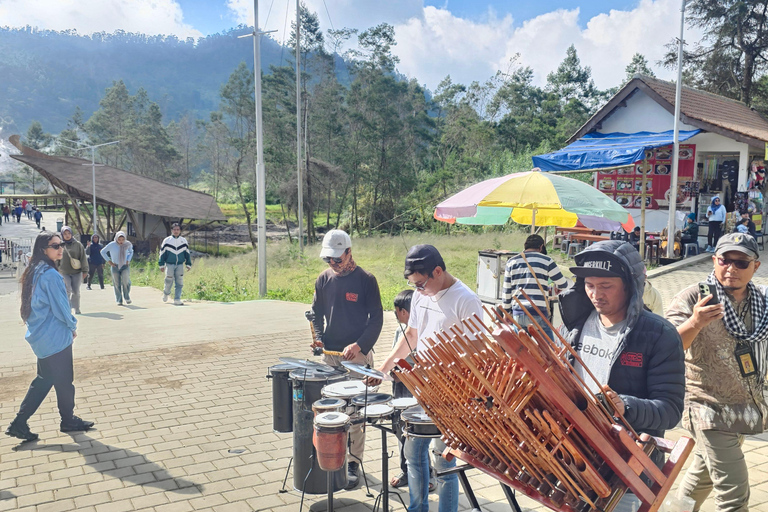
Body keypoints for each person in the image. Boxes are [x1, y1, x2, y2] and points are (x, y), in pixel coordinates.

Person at [560, 240, 685, 512]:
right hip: (575, 459)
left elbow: (671, 410)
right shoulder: (574, 325)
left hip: (627, 470)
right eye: (589, 285)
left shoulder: (659, 335)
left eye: (606, 286)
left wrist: (625, 406)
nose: (596, 294)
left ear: (630, 286)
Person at [376, 244, 483, 512]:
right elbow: (411, 335)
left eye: (421, 283)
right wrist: (383, 367)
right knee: (413, 453)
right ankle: (417, 508)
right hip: (422, 387)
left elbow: (476, 355)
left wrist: (442, 371)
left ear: (438, 271)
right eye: (414, 285)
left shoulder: (465, 300)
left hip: (451, 392)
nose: (418, 290)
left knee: (444, 460)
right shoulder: (420, 296)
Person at [667, 233, 767, 512]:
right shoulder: (693, 296)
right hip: (706, 406)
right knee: (734, 492)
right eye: (725, 260)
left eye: (740, 262)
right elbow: (669, 348)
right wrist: (695, 322)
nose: (731, 269)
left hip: (746, 405)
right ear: (714, 260)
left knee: (701, 479)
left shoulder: (761, 300)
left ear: (755, 267)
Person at [310, 229, 383, 489]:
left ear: (349, 252)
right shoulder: (324, 279)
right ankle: (330, 457)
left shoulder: (366, 280)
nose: (333, 264)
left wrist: (360, 345)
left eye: (337, 259)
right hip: (330, 356)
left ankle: (353, 462)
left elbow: (377, 319)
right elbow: (316, 313)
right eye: (328, 260)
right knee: (330, 410)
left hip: (357, 356)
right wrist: (318, 338)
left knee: (355, 414)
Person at [5, 232, 94, 442]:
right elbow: (62, 308)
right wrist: (72, 326)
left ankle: (61, 419)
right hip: (55, 337)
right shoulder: (51, 275)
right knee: (59, 381)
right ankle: (26, 422)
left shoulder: (34, 270)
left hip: (42, 336)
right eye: (55, 246)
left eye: (61, 244)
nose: (60, 248)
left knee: (48, 380)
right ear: (43, 250)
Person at [389, 289, 436, 492]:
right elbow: (394, 359)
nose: (396, 315)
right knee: (401, 432)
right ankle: (406, 471)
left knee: (417, 435)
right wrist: (390, 372)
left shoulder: (424, 334)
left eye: (397, 311)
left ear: (405, 312)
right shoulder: (400, 332)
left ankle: (429, 474)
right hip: (399, 389)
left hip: (416, 392)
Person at [502, 234, 571, 339]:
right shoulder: (547, 260)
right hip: (538, 311)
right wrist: (557, 285)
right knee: (549, 349)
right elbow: (563, 284)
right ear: (541, 246)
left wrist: (506, 312)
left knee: (521, 349)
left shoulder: (511, 262)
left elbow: (507, 290)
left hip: (518, 311)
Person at [158, 223, 192, 306]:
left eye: (178, 229)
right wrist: (161, 265)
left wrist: (188, 264)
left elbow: (187, 253)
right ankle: (166, 293)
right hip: (169, 264)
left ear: (180, 231)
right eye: (174, 229)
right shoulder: (167, 240)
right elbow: (162, 253)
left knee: (179, 282)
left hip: (180, 264)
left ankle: (177, 299)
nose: (176, 231)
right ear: (171, 230)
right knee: (168, 280)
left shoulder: (183, 241)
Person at [58, 226, 89, 315]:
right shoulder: (60, 245)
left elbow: (83, 258)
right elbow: (56, 258)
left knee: (76, 291)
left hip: (77, 272)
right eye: (65, 234)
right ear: (62, 235)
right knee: (67, 290)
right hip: (64, 272)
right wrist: (55, 270)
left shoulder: (78, 244)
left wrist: (85, 270)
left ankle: (76, 308)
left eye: (69, 233)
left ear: (71, 234)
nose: (67, 236)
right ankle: (67, 308)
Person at [101, 231, 133, 305]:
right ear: (116, 238)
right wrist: (109, 261)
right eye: (119, 239)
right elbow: (103, 252)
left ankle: (127, 296)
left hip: (125, 266)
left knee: (126, 281)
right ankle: (119, 299)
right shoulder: (112, 245)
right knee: (116, 283)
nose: (121, 241)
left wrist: (128, 260)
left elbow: (131, 252)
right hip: (115, 266)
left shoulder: (128, 244)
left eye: (123, 239)